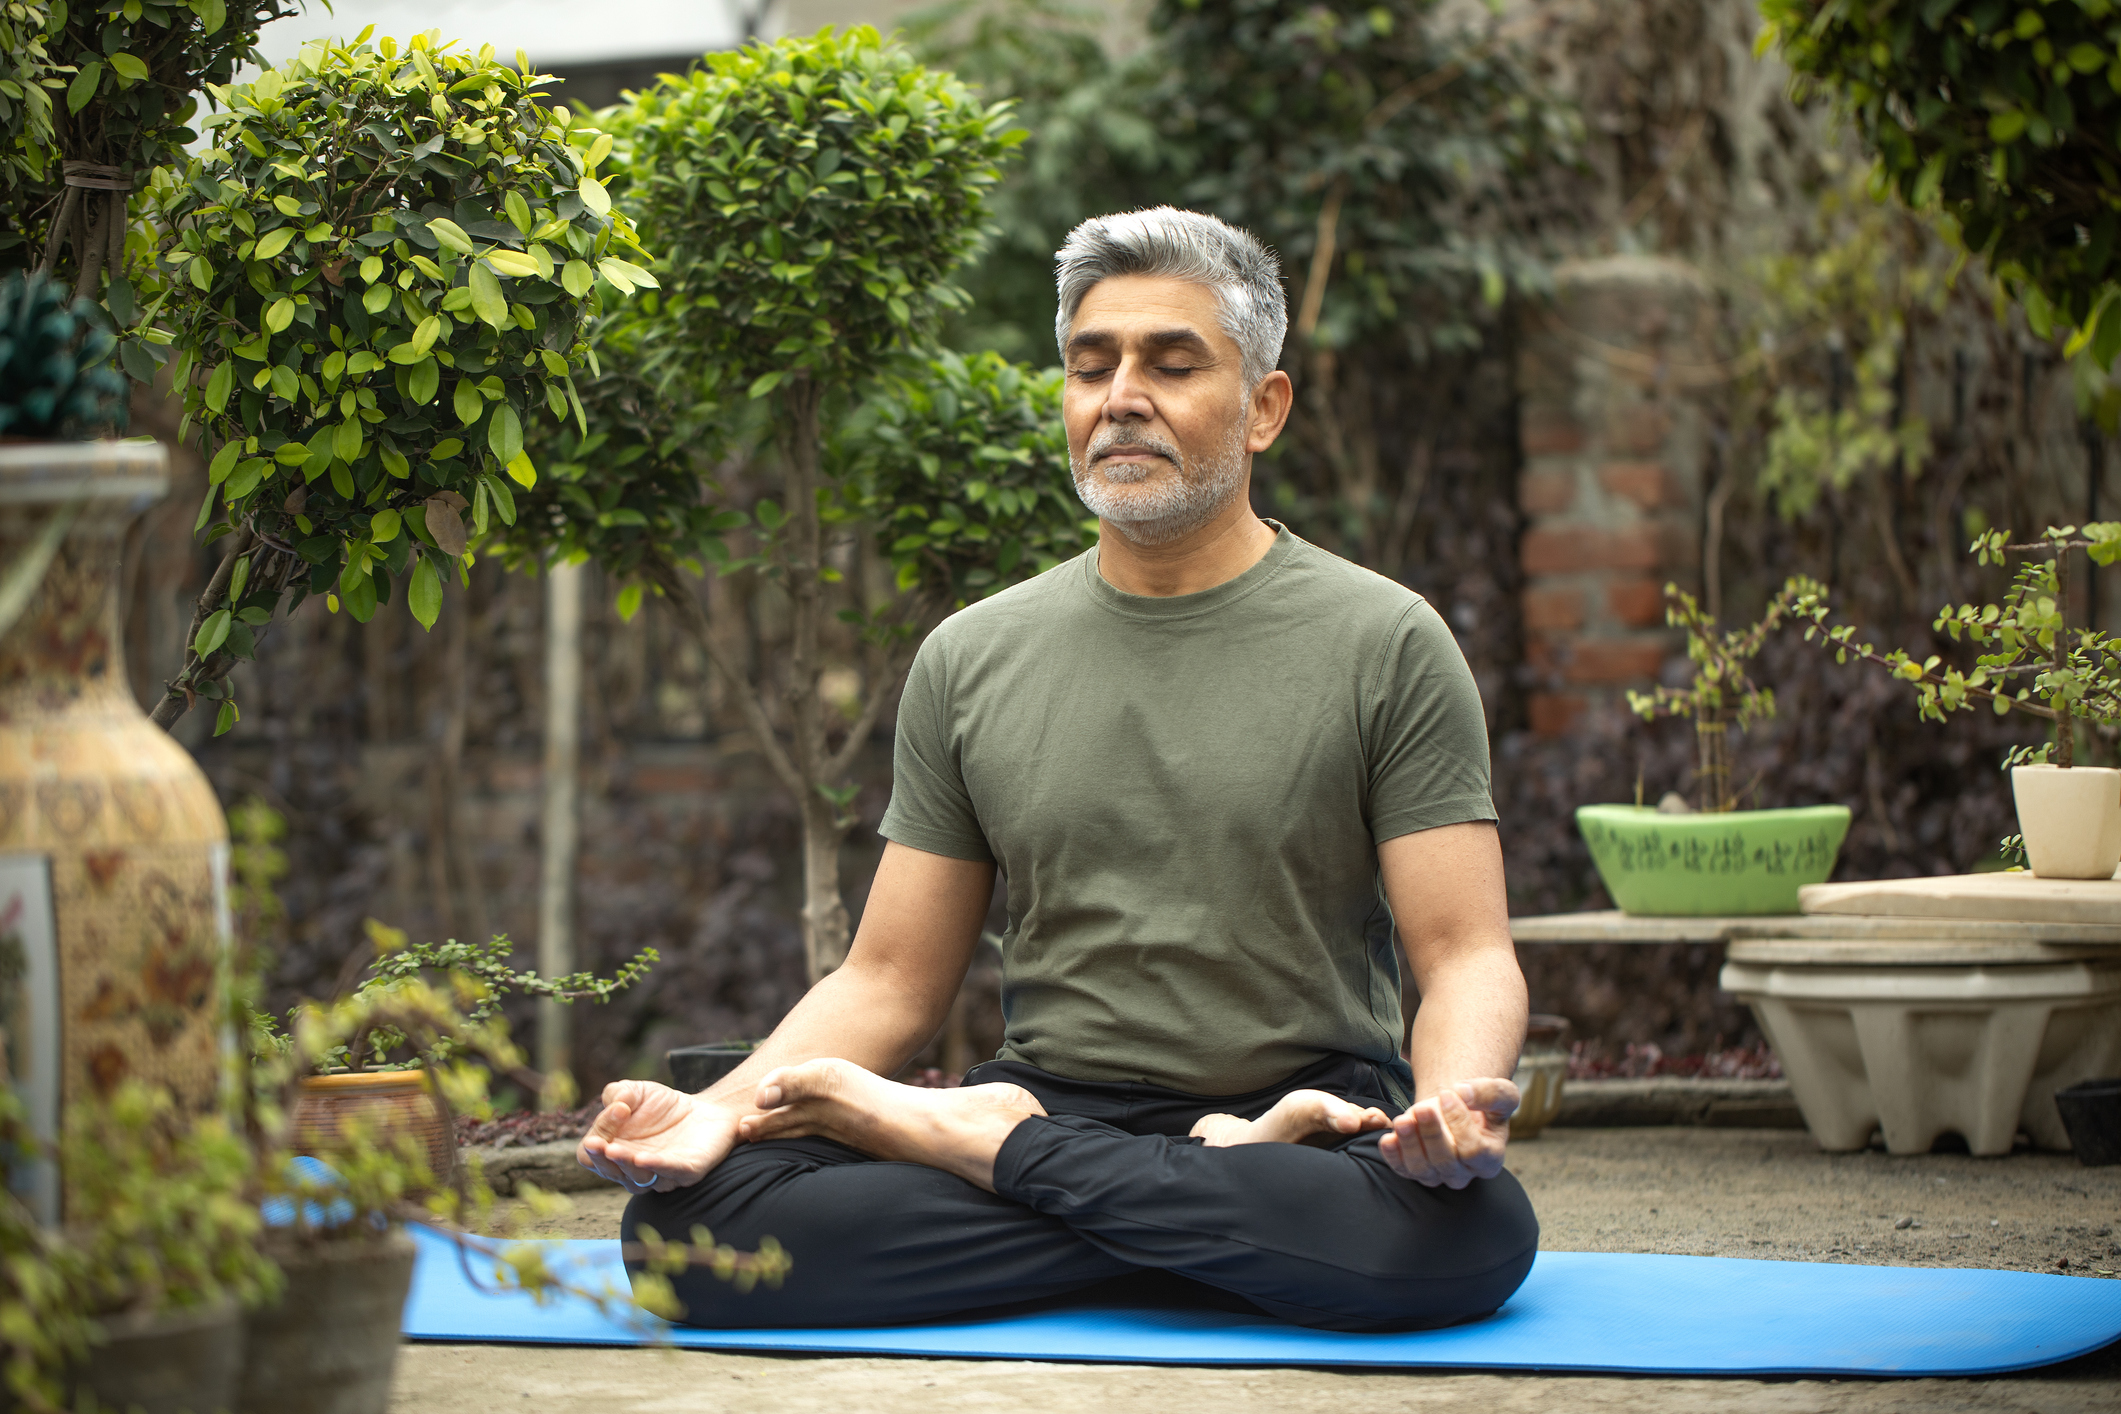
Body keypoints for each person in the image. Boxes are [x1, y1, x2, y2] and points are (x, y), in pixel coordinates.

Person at [576, 206, 1539, 1333]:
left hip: (1304, 1116)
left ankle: (1003, 1156)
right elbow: (888, 978)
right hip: (1066, 1102)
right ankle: (1185, 1228)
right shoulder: (973, 655)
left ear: (1264, 408)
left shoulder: (1385, 640)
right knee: (689, 1233)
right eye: (1092, 367)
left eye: (1172, 364)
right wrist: (720, 1112)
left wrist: (1448, 1116)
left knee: (1467, 1235)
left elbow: (1465, 950)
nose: (1121, 395)